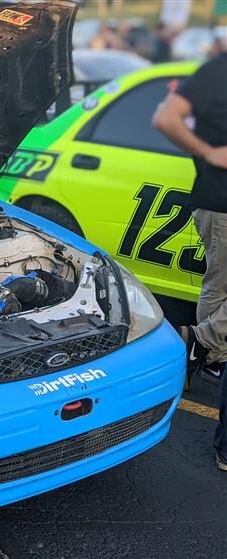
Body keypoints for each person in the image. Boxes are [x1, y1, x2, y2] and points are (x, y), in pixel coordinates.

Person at [153, 50, 227, 470]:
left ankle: (204, 351)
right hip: (223, 205)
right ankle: (203, 343)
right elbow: (166, 118)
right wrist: (209, 152)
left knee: (217, 291)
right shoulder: (219, 69)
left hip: (218, 208)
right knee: (219, 291)